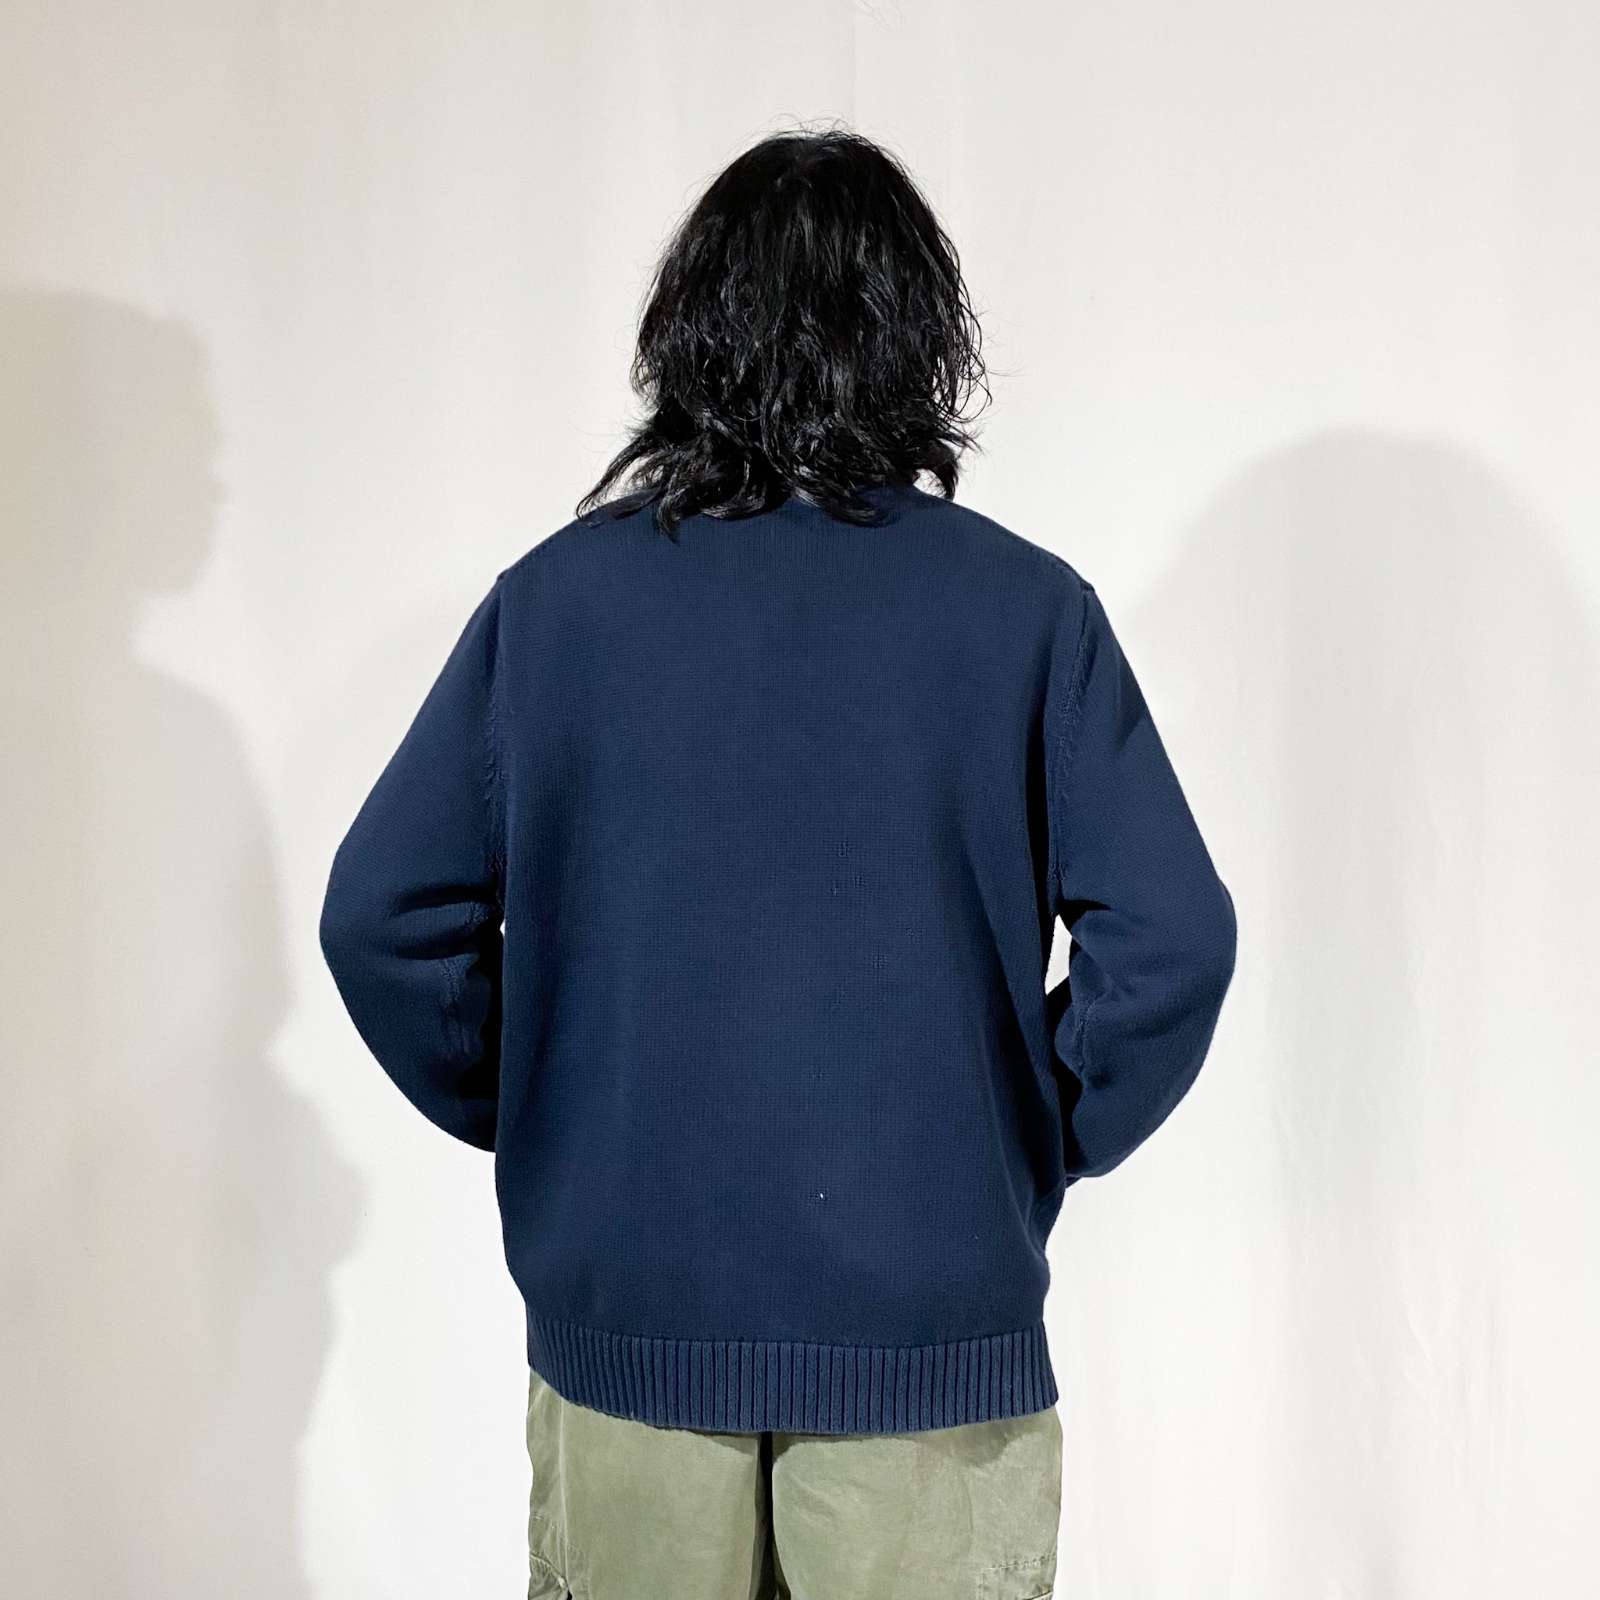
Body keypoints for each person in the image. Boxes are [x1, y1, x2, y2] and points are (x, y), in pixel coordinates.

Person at [319, 124, 1237, 1600]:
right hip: (931, 1344)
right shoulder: (1024, 611)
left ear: (692, 328)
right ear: (916, 339)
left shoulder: (556, 609)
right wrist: (1018, 1129)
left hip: (631, 1322)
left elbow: (383, 918)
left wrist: (564, 1111)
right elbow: (1173, 942)